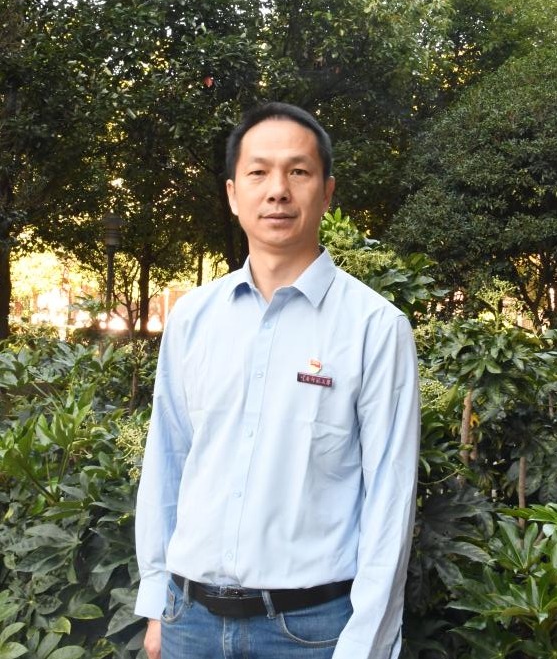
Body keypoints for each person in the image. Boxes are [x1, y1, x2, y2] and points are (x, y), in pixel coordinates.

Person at [134, 102, 420, 659]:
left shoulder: (375, 328)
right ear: (232, 193)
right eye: (258, 172)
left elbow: (390, 498)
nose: (278, 191)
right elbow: (167, 460)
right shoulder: (193, 318)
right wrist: (156, 603)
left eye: (298, 171)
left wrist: (365, 645)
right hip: (188, 622)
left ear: (327, 192)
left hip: (312, 633)